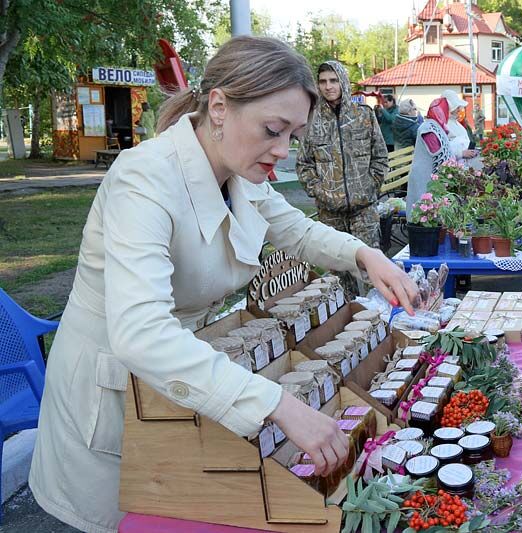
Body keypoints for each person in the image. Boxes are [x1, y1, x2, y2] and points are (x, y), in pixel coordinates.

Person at [29, 37, 418, 533]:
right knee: (122, 516)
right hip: (111, 390)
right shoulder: (142, 181)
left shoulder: (242, 172)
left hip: (182, 373)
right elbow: (141, 333)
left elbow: (295, 230)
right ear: (218, 107)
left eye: (294, 136)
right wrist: (275, 403)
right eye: (273, 131)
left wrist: (365, 254)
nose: (283, 151)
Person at [296, 61, 389, 299]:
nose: (328, 87)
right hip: (330, 213)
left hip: (364, 210)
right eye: (323, 81)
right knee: (339, 278)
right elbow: (304, 165)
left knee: (372, 271)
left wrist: (370, 187)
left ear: (343, 82)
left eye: (334, 80)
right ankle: (349, 326)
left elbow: (380, 156)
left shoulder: (363, 116)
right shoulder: (312, 121)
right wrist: (321, 192)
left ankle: (381, 323)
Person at [406, 97, 453, 213]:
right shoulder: (427, 127)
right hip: (423, 175)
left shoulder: (436, 127)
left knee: (430, 210)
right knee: (420, 210)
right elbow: (436, 151)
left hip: (430, 175)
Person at [441, 89, 478, 163]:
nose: (459, 110)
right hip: (451, 169)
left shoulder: (455, 122)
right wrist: (461, 153)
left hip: (460, 165)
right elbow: (441, 150)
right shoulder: (442, 124)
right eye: (457, 107)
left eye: (459, 107)